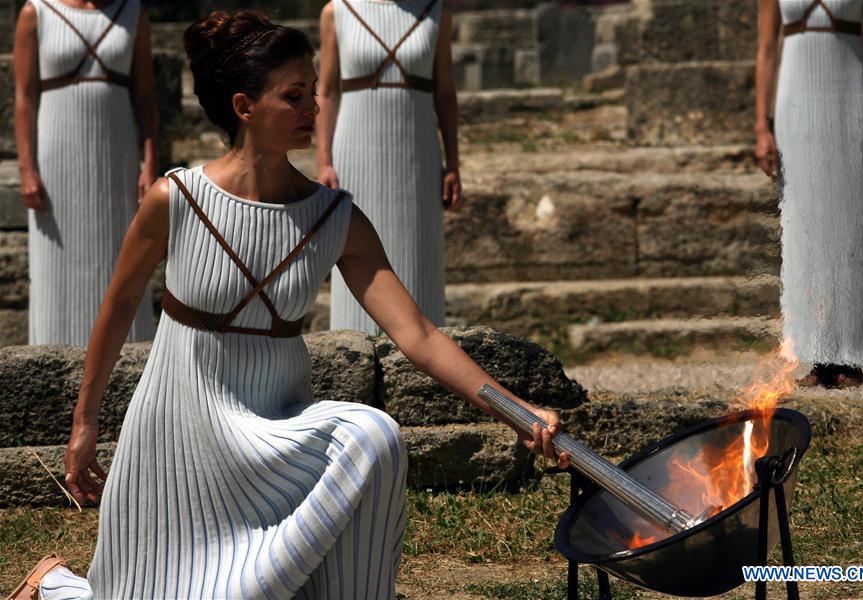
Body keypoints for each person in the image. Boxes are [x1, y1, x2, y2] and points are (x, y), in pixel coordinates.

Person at [7, 11, 568, 599]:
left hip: (273, 432)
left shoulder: (334, 217)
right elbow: (118, 308)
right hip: (178, 440)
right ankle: (53, 587)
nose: (314, 109)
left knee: (373, 436)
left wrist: (518, 411)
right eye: (294, 95)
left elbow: (420, 336)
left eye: (313, 92)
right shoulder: (175, 199)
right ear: (245, 106)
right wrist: (85, 425)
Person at [755, 0, 863, 387]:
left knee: (851, 225)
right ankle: (817, 355)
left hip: (851, 101)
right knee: (806, 227)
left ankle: (850, 356)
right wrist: (761, 127)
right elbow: (766, 51)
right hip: (795, 105)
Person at [13, 0, 157, 346]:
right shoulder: (36, 11)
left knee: (120, 256)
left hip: (118, 159)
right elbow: (24, 96)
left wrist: (150, 162)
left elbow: (146, 94)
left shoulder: (133, 12)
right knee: (55, 266)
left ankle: (126, 360)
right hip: (56, 160)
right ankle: (52, 358)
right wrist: (27, 167)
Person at [317, 0, 461, 335]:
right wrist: (323, 160)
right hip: (355, 151)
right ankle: (354, 351)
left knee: (417, 256)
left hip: (418, 153)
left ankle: (425, 361)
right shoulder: (337, 11)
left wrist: (453, 163)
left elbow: (445, 93)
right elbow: (325, 92)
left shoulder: (437, 11)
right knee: (353, 246)